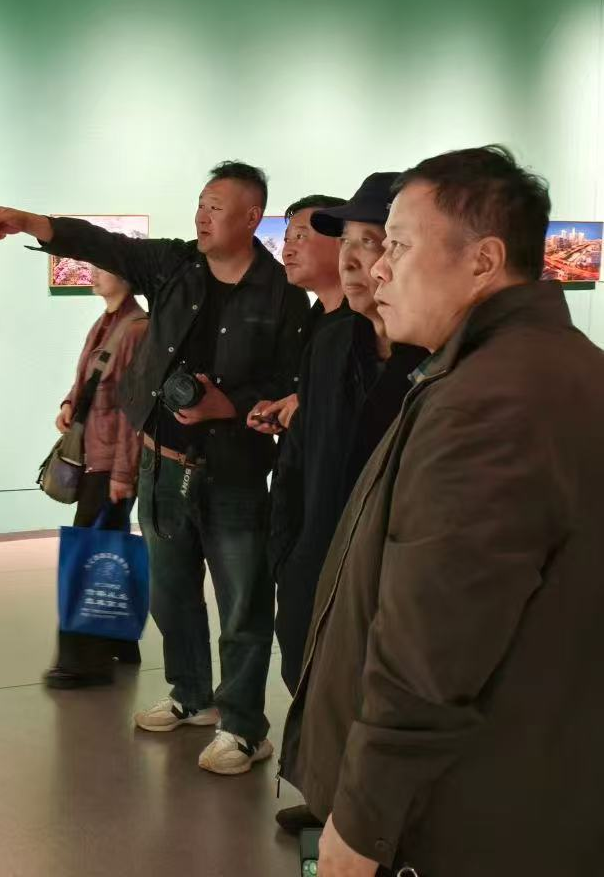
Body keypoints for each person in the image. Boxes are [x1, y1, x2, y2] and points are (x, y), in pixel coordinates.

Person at [282, 147, 604, 876]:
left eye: (396, 245)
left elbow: (429, 653)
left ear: (483, 260)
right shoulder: (537, 366)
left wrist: (360, 826)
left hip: (468, 813)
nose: (377, 269)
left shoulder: (489, 402)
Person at [0, 161, 308, 776]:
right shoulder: (176, 266)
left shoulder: (283, 295)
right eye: (200, 203)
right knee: (171, 593)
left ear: (252, 216)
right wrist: (33, 223)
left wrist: (228, 405)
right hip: (161, 463)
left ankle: (242, 726)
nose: (201, 216)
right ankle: (191, 695)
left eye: (215, 207)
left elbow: (289, 382)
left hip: (233, 471)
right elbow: (106, 245)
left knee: (242, 605)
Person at [258, 174, 427, 836]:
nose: (356, 259)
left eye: (374, 241)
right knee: (313, 682)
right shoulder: (330, 344)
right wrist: (286, 552)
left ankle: (372, 825)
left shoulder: (435, 360)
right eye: (349, 242)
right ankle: (330, 796)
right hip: (315, 560)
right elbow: (298, 459)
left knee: (379, 697)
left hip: (390, 575)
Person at [44, 266, 149, 689]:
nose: (93, 274)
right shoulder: (106, 323)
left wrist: (123, 473)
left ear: (127, 277)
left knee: (89, 556)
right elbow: (88, 381)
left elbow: (132, 410)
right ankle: (121, 643)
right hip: (95, 455)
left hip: (110, 464)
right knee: (110, 550)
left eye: (103, 268)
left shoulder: (136, 329)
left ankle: (83, 661)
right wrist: (69, 404)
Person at [250, 195, 347, 431]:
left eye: (301, 237)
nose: (287, 251)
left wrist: (306, 411)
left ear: (344, 241)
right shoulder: (314, 319)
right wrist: (279, 407)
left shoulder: (367, 325)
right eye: (287, 239)